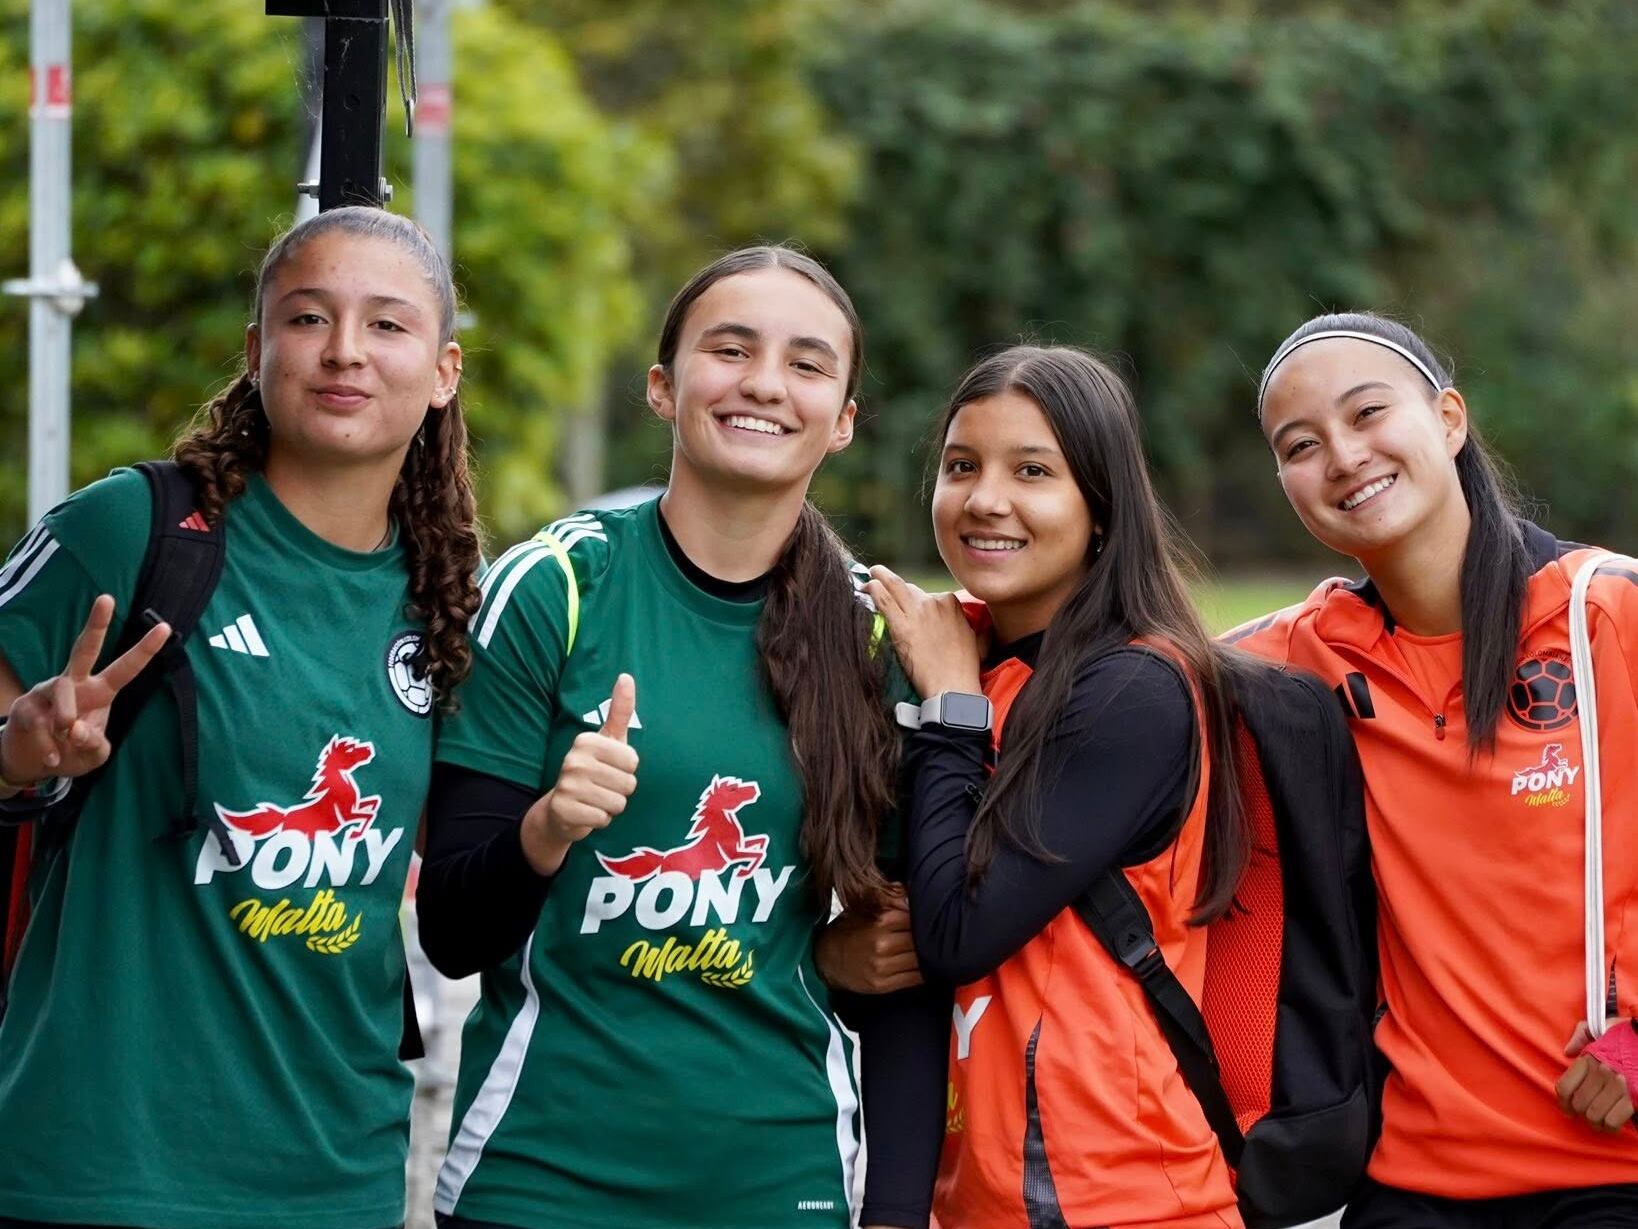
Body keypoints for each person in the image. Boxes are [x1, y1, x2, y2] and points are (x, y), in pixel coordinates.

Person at [416, 245, 942, 1229]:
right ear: (663, 386)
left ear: (844, 421)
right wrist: (546, 827)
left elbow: (899, 946)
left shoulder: (878, 634)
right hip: (541, 1175)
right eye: (730, 349)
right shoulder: (559, 586)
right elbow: (450, 933)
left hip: (782, 1173)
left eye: (806, 363)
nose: (763, 384)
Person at [0, 205, 480, 1229]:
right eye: (309, 318)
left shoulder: (447, 600)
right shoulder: (130, 528)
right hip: (96, 1170)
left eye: (388, 325)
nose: (346, 349)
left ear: (443, 372)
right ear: (259, 351)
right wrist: (17, 755)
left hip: (336, 1178)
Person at [1231, 312, 1638, 1227]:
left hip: (1615, 1169)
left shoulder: (1604, 609)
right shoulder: (1303, 657)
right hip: (1414, 1184)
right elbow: (1107, 662)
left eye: (1368, 412)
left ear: (1448, 419)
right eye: (1301, 445)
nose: (1342, 455)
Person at [865, 345, 1251, 1229]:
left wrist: (954, 710)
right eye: (961, 465)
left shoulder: (1133, 689)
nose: (985, 498)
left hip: (1122, 1199)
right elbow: (899, 919)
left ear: (1101, 510)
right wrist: (847, 957)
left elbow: (957, 931)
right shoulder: (955, 659)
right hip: (976, 1197)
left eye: (1032, 471)